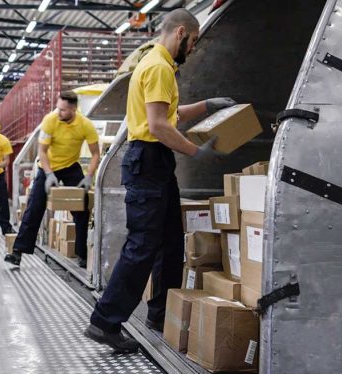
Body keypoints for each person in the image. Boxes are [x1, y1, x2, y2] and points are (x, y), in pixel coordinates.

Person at [84, 9, 238, 353]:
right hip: (148, 160)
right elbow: (158, 126)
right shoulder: (157, 67)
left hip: (157, 163)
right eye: (194, 41)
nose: (194, 48)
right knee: (142, 245)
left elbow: (173, 113)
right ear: (181, 33)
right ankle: (104, 321)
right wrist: (195, 152)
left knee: (170, 241)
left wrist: (208, 106)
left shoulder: (162, 66)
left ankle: (160, 312)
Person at [4, 91, 101, 268]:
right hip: (47, 167)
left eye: (63, 110)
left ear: (73, 109)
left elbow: (96, 154)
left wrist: (89, 176)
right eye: (58, 108)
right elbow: (42, 151)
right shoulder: (50, 120)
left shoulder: (85, 125)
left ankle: (82, 254)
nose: (59, 112)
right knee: (34, 207)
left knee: (82, 209)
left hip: (71, 167)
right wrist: (49, 174)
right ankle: (17, 252)